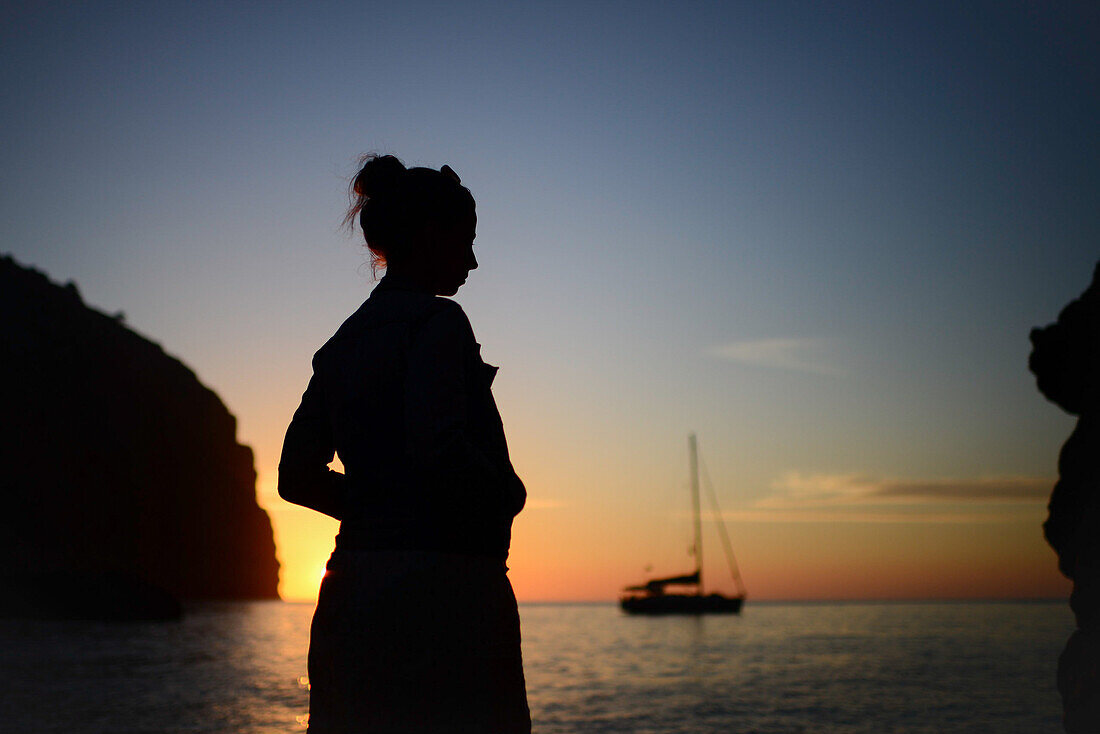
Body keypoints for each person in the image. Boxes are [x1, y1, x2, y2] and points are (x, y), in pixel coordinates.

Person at [278, 154, 530, 733]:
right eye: (464, 242)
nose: (471, 261)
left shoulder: (341, 345)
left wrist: (375, 506)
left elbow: (295, 477)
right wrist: (505, 495)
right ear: (430, 236)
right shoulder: (438, 323)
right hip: (447, 595)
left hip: (354, 593)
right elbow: (438, 443)